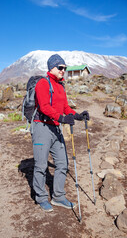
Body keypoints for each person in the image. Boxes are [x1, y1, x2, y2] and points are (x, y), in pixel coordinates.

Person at [31, 54, 89, 212]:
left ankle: (58, 197)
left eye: (65, 68)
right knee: (41, 165)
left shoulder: (61, 86)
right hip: (41, 127)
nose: (63, 70)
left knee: (63, 163)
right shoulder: (43, 83)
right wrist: (62, 118)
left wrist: (76, 115)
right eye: (60, 67)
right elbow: (44, 107)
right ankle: (41, 197)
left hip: (55, 127)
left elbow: (65, 108)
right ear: (51, 68)